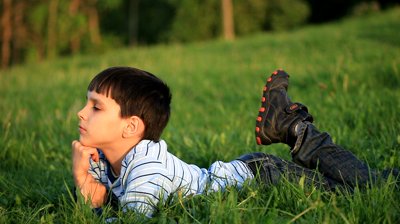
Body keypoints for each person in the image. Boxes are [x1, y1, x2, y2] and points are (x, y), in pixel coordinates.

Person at [72, 67, 398, 217]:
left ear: (131, 127)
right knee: (359, 188)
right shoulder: (104, 159)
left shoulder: (146, 167)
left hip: (263, 179)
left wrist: (93, 199)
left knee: (369, 189)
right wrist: (86, 185)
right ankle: (292, 128)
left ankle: (296, 129)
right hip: (250, 172)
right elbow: (103, 203)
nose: (81, 113)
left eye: (95, 106)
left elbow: (132, 218)